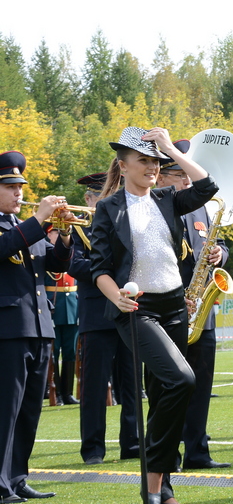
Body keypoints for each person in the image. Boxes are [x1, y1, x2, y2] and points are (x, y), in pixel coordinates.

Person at [90, 127, 215, 504]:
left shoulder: (166, 198)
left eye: (155, 161)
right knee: (182, 380)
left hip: (176, 306)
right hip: (137, 309)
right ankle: (152, 479)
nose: (151, 167)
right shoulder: (108, 209)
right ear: (123, 166)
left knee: (164, 396)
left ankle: (162, 487)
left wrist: (167, 148)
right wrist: (119, 299)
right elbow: (99, 268)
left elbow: (207, 185)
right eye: (142, 160)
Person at [0, 150, 72, 504]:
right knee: (6, 409)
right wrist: (39, 219)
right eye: (10, 186)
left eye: (20, 186)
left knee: (30, 408)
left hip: (40, 326)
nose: (18, 192)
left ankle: (17, 477)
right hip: (8, 328)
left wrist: (65, 236)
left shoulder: (22, 227)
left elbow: (52, 265)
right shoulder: (16, 229)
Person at [156, 141, 231, 470]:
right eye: (178, 173)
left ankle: (198, 451)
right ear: (161, 176)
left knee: (202, 385)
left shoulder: (203, 208)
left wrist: (220, 255)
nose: (187, 179)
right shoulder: (157, 207)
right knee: (169, 387)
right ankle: (168, 453)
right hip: (171, 307)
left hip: (203, 308)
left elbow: (221, 244)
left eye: (188, 172)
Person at [73, 172, 139, 465]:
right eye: (100, 195)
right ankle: (93, 449)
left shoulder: (124, 223)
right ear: (88, 199)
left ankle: (133, 443)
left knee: (132, 382)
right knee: (94, 386)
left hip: (127, 310)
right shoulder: (77, 230)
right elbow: (74, 265)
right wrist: (107, 274)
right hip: (97, 314)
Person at [46, 249, 79, 405]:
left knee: (70, 352)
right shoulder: (47, 254)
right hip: (53, 305)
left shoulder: (71, 253)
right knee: (54, 352)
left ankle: (67, 393)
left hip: (71, 306)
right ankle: (56, 393)